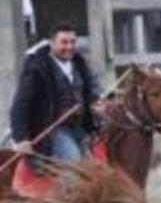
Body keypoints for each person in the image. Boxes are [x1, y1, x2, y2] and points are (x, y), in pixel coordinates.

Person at [10, 22, 101, 161]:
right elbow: (21, 105)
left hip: (82, 127)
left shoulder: (80, 64)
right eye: (64, 42)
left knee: (103, 158)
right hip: (52, 131)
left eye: (72, 42)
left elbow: (93, 88)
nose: (69, 47)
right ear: (51, 43)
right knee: (75, 163)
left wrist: (96, 102)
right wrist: (21, 138)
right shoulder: (37, 69)